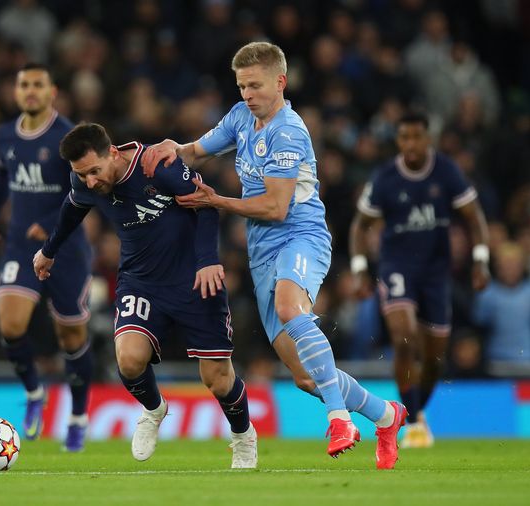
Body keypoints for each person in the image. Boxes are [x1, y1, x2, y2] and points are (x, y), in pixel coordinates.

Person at [141, 41, 405, 469]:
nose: (247, 93)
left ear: (280, 82)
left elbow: (275, 207)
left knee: (289, 305)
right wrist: (172, 147)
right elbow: (198, 150)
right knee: (304, 376)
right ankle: (387, 415)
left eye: (255, 86)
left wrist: (215, 201)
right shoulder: (242, 116)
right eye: (242, 85)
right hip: (263, 252)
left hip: (301, 236)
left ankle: (339, 418)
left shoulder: (288, 131)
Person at [33, 123, 258, 469]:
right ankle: (154, 409)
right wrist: (49, 251)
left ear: (112, 153)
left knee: (217, 380)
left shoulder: (158, 164)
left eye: (94, 171)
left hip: (195, 280)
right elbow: (72, 208)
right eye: (82, 174)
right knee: (128, 359)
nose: (90, 181)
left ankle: (243, 437)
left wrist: (208, 261)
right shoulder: (84, 181)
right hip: (141, 282)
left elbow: (206, 205)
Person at [350, 112, 490, 448]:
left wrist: (481, 259)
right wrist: (359, 268)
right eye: (404, 138)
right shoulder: (386, 177)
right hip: (397, 266)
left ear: (428, 139)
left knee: (434, 357)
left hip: (436, 272)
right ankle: (411, 419)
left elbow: (475, 217)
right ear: (398, 141)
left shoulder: (446, 172)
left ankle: (417, 412)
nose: (410, 144)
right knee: (404, 338)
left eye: (417, 137)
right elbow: (360, 225)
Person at [0, 64, 93, 452]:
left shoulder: (68, 137)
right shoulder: (5, 135)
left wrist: (48, 222)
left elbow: (86, 189)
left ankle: (78, 417)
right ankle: (34, 393)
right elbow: (2, 175)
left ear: (52, 92)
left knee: (71, 336)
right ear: (16, 92)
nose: (30, 91)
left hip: (66, 248)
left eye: (37, 85)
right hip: (19, 246)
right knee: (10, 325)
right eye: (24, 85)